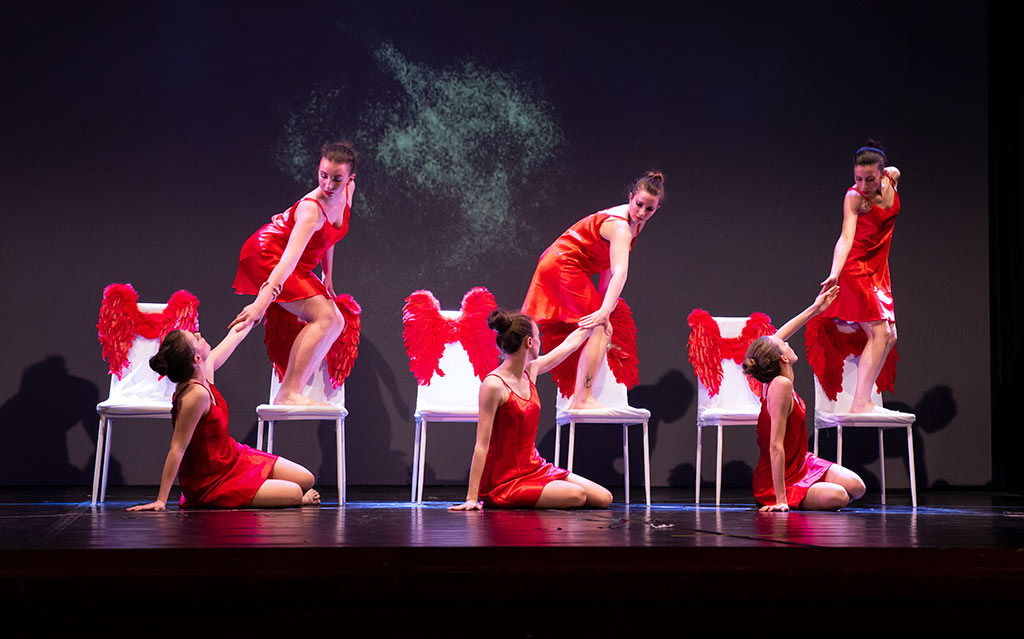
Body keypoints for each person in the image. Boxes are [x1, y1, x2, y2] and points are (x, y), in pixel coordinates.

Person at [128, 324, 319, 511]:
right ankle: (273, 493)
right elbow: (177, 448)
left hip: (233, 458)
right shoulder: (195, 396)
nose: (199, 334)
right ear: (196, 358)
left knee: (306, 478)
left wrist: (256, 310)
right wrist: (161, 500)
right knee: (295, 492)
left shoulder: (204, 372)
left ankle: (262, 487)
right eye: (195, 338)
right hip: (212, 481)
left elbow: (234, 337)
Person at [521, 171, 664, 409]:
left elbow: (608, 268)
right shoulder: (621, 227)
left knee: (598, 325)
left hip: (560, 263)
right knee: (598, 326)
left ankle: (537, 366)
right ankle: (582, 398)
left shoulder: (635, 224)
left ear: (656, 210)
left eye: (649, 209)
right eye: (638, 205)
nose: (642, 212)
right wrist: (603, 311)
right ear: (630, 198)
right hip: (564, 264)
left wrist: (605, 307)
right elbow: (620, 271)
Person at [231, 141, 357, 406]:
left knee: (338, 321)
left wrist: (327, 275)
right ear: (318, 171)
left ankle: (294, 389)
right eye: (323, 176)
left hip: (298, 262)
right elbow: (285, 264)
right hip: (268, 253)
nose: (329, 185)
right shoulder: (312, 211)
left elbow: (329, 238)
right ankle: (288, 393)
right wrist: (259, 305)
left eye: (337, 179)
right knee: (324, 316)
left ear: (350, 179)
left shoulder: (348, 193)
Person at [450, 310, 613, 510]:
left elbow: (568, 346)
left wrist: (598, 319)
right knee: (576, 495)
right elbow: (481, 445)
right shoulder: (493, 385)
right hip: (504, 482)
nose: (540, 342)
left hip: (534, 467)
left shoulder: (530, 371)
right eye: (538, 337)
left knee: (604, 497)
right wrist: (472, 499)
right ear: (529, 342)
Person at [742, 286, 866, 512]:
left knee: (857, 487)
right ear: (782, 358)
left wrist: (815, 309)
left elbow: (772, 341)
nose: (788, 342)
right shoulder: (780, 385)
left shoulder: (774, 376)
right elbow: (775, 446)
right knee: (840, 496)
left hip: (802, 463)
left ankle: (811, 489)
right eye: (785, 344)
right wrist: (780, 500)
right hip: (778, 480)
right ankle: (797, 495)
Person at [820, 140, 900, 413]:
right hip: (857, 267)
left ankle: (863, 398)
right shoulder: (854, 198)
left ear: (882, 174)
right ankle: (861, 403)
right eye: (857, 178)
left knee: (891, 337)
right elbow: (845, 238)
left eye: (869, 178)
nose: (863, 185)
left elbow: (893, 173)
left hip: (879, 269)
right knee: (880, 333)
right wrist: (834, 273)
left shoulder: (894, 176)